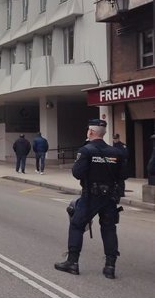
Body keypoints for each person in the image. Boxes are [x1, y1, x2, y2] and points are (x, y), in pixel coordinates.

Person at [54, 119, 127, 279]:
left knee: (76, 225)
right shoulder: (116, 152)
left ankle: (72, 262)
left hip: (90, 196)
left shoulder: (86, 150)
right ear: (104, 133)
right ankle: (110, 266)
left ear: (91, 132)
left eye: (88, 130)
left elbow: (77, 173)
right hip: (110, 197)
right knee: (109, 228)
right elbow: (124, 175)